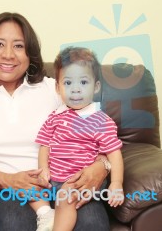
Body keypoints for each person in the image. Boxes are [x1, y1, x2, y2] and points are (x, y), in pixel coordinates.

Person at [0, 12, 112, 231]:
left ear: (30, 53)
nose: (8, 54)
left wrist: (102, 167)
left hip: (64, 183)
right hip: (6, 190)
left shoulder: (53, 89)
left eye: (19, 46)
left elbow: (101, 134)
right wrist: (7, 180)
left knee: (91, 222)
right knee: (13, 223)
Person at [34, 46, 124, 231]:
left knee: (67, 195)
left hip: (83, 180)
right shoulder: (55, 116)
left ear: (96, 86)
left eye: (83, 82)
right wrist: (43, 168)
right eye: (68, 83)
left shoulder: (100, 120)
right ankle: (46, 215)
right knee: (28, 187)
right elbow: (45, 145)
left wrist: (116, 183)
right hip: (55, 179)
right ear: (58, 88)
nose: (75, 90)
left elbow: (114, 155)